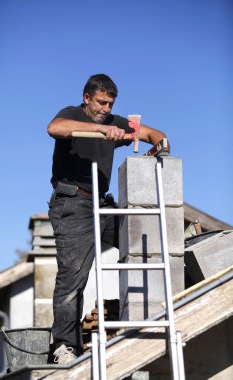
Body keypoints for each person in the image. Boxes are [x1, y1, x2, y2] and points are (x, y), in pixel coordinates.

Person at [47, 74, 169, 364]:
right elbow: (55, 128)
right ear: (87, 98)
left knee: (145, 244)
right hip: (73, 204)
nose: (105, 108)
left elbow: (153, 133)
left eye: (110, 103)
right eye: (101, 102)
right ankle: (63, 347)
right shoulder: (72, 114)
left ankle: (163, 311)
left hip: (103, 205)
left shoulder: (115, 121)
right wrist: (100, 131)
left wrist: (159, 145)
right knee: (74, 275)